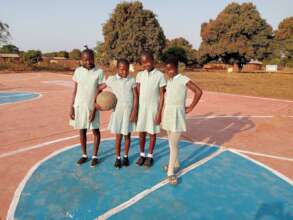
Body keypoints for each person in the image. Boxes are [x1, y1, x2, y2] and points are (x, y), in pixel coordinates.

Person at [162, 56, 202, 184]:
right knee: (171, 143)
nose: (169, 72)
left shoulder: (183, 79)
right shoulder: (169, 81)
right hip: (168, 114)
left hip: (177, 115)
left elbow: (198, 91)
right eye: (167, 70)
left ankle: (170, 173)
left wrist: (191, 107)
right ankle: (175, 164)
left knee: (173, 145)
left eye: (172, 69)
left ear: (177, 68)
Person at [97, 59, 138, 168]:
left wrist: (134, 110)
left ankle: (126, 156)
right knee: (118, 136)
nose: (124, 72)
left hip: (128, 112)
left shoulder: (131, 80)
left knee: (127, 135)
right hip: (118, 112)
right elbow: (99, 88)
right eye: (122, 69)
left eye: (126, 70)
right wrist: (96, 102)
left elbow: (136, 97)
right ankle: (118, 158)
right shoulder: (111, 79)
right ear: (117, 69)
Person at [69, 46, 105, 167]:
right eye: (85, 60)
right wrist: (71, 107)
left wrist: (94, 108)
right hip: (79, 105)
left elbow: (100, 92)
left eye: (90, 59)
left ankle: (95, 156)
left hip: (92, 106)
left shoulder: (99, 72)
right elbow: (75, 90)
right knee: (82, 130)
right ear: (81, 60)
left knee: (95, 130)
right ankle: (84, 155)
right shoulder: (78, 71)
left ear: (94, 59)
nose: (88, 62)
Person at [135, 51, 166, 168]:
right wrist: (136, 109)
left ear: (153, 61)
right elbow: (137, 94)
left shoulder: (160, 75)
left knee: (152, 133)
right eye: (143, 63)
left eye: (148, 61)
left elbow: (162, 95)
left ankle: (150, 155)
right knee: (141, 132)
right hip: (142, 109)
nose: (146, 64)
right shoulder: (139, 75)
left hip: (153, 109)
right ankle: (142, 154)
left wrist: (159, 112)